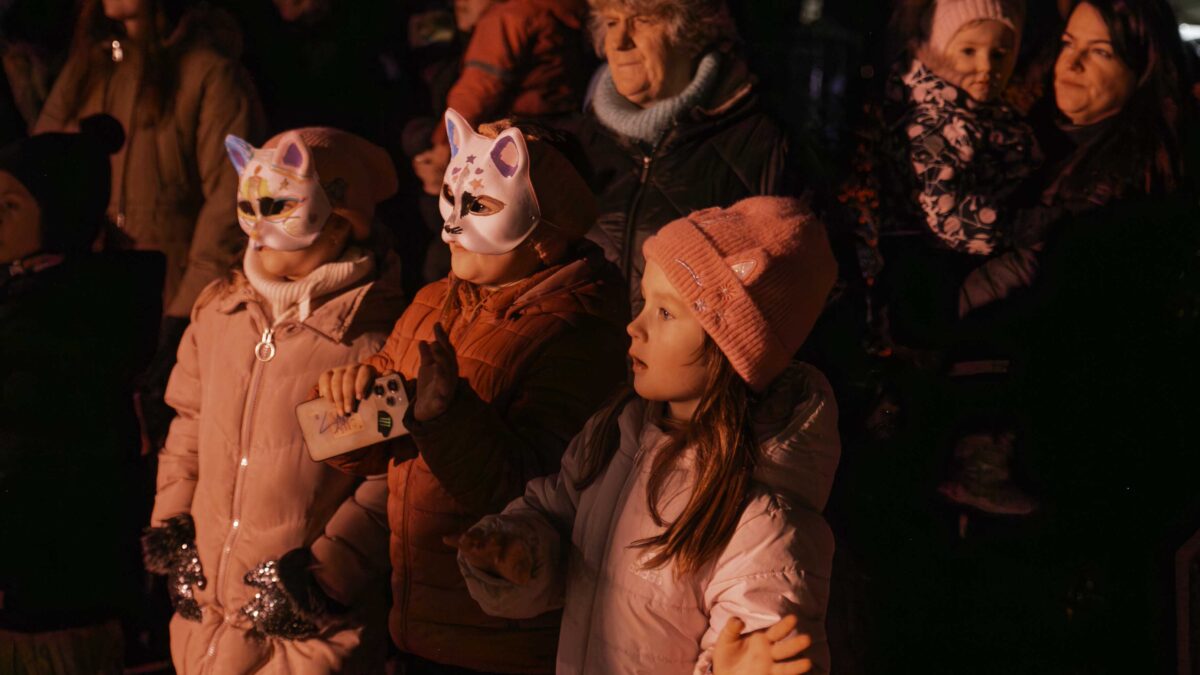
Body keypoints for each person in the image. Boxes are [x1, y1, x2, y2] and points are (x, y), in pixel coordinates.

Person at [452, 196, 841, 674]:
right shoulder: (617, 435)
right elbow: (558, 516)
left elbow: (762, 648)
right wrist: (518, 550)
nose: (635, 326)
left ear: (733, 348)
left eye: (666, 313)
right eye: (644, 302)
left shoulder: (762, 524)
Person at [320, 112, 629, 674]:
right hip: (418, 625)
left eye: (481, 205)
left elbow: (534, 497)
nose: (451, 227)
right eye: (450, 198)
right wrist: (347, 407)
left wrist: (445, 415)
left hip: (503, 644)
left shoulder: (580, 331)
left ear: (548, 228)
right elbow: (370, 442)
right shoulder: (433, 301)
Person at [144, 127, 402, 674]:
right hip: (207, 622)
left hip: (311, 635)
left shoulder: (373, 339)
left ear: (340, 220)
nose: (259, 226)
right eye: (249, 206)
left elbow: (389, 476)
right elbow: (188, 424)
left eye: (280, 207)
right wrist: (174, 525)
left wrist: (326, 577)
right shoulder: (220, 313)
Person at [34, 0, 266, 446]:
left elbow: (229, 199)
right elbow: (40, 170)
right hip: (91, 299)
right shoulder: (90, 66)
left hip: (169, 296)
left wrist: (185, 310)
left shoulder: (207, 72)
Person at [0, 115, 160, 675]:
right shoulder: (26, 298)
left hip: (54, 592)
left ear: (59, 214)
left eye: (11, 206)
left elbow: (34, 461)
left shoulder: (72, 321)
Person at [578, 0, 790, 312]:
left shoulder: (762, 144)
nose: (620, 41)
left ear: (692, 32)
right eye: (611, 23)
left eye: (642, 20)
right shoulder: (577, 143)